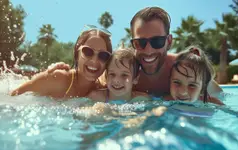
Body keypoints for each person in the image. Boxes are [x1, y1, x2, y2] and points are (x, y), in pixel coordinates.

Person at [47, 7, 223, 98]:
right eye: (140, 42)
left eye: (157, 41)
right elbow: (93, 80)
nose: (148, 50)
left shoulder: (184, 69)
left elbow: (217, 94)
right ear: (133, 43)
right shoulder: (125, 69)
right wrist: (65, 72)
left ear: (169, 41)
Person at [10, 27, 112, 99]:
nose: (94, 60)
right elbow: (13, 97)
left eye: (103, 56)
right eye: (88, 52)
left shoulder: (104, 90)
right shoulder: (58, 79)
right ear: (77, 53)